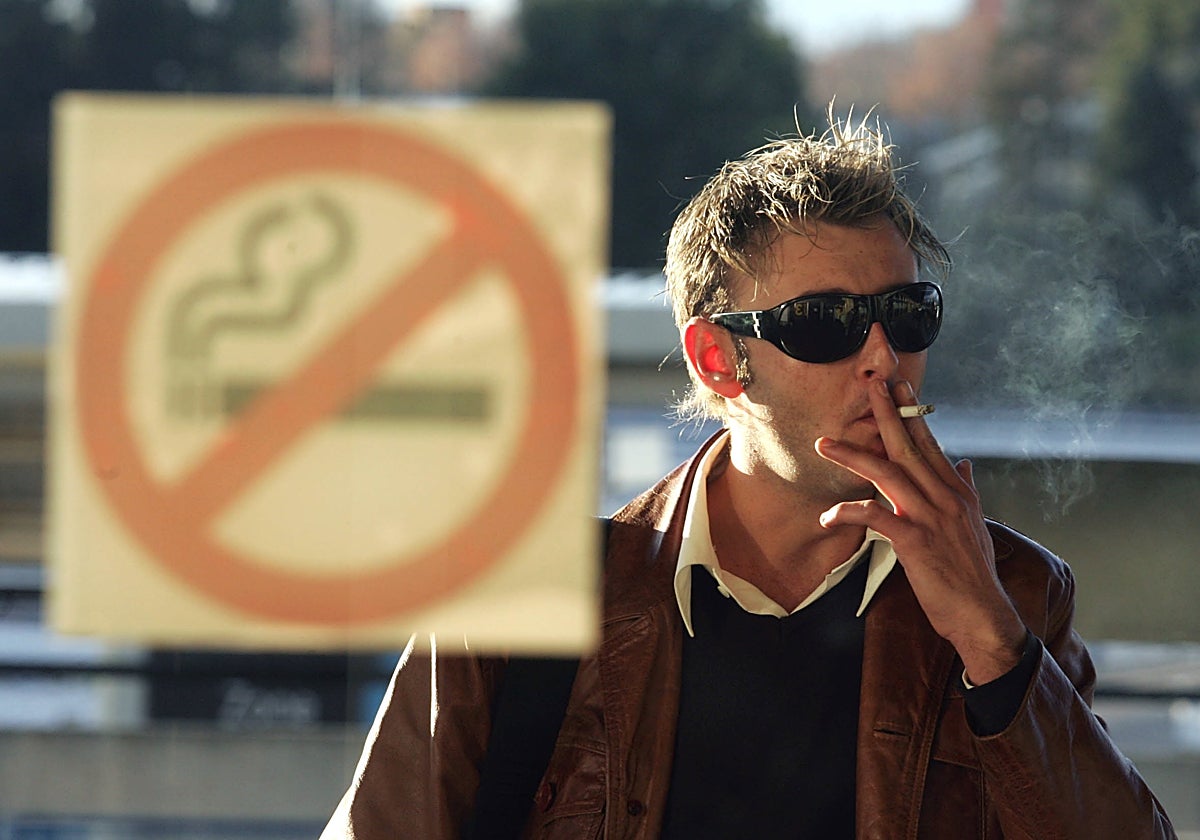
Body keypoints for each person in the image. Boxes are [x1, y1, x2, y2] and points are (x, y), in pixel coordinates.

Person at [321, 112, 1177, 838]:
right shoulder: (517, 601)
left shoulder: (1014, 593)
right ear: (717, 360)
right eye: (826, 322)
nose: (884, 357)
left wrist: (991, 641)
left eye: (907, 313)